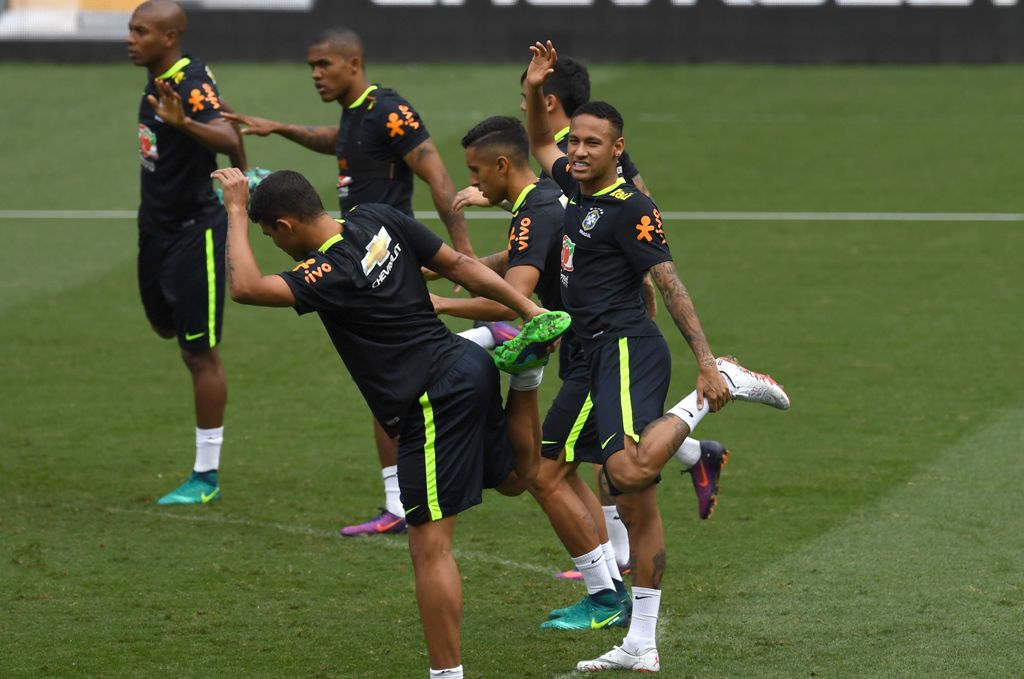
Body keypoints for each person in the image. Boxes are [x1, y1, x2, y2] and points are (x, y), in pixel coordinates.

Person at [212, 166, 569, 679]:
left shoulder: (328, 272)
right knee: (515, 479)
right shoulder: (377, 217)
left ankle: (446, 676)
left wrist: (237, 210)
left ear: (286, 226)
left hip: (429, 401)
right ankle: (527, 375)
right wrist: (528, 310)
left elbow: (244, 287)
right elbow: (461, 264)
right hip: (467, 366)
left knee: (429, 548)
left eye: (270, 234)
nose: (271, 242)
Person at [524, 40, 790, 673]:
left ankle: (715, 388)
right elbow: (540, 138)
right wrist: (536, 89)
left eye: (594, 143)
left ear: (619, 149)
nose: (578, 150)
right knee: (607, 482)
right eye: (576, 141)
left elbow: (669, 283)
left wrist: (701, 359)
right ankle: (641, 643)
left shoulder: (632, 209)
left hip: (623, 348)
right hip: (587, 353)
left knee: (634, 471)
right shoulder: (571, 180)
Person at [223, 28, 487, 536]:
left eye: (324, 65)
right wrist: (278, 127)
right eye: (311, 67)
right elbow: (339, 143)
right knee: (386, 381)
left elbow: (436, 174)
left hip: (378, 251)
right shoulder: (355, 114)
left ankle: (491, 333)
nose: (316, 75)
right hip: (348, 255)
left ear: (355, 62)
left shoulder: (388, 108)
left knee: (401, 372)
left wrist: (462, 246)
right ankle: (396, 498)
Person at [129, 0, 245, 505]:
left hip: (192, 232)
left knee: (199, 352)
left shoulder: (189, 81)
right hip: (154, 228)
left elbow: (226, 133)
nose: (130, 39)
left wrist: (182, 124)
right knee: (163, 325)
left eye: (141, 31)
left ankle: (206, 476)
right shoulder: (161, 78)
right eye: (130, 30)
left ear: (170, 35)